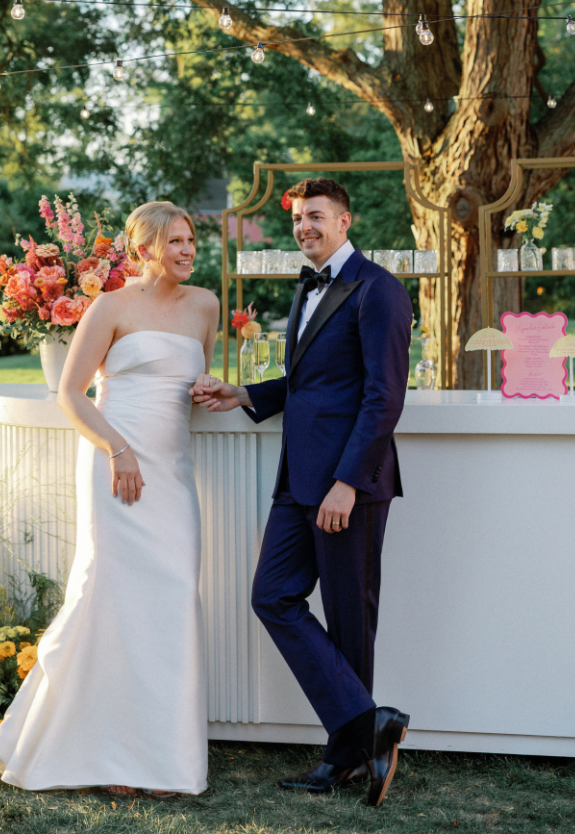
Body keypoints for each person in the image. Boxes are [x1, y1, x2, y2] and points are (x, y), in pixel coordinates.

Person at [0, 201, 219, 796]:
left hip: (172, 471)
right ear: (143, 250)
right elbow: (70, 393)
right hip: (116, 465)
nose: (187, 251)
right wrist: (118, 449)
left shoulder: (206, 306)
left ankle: (162, 759)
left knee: (170, 600)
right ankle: (101, 752)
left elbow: (188, 384)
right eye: (175, 242)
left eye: (191, 241)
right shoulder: (109, 307)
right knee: (107, 598)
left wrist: (211, 389)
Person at [191, 177, 412, 807]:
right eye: (297, 219)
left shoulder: (380, 291)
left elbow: (382, 398)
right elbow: (313, 382)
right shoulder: (308, 286)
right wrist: (246, 395)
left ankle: (346, 758)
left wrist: (347, 483)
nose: (304, 227)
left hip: (348, 484)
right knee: (272, 596)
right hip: (298, 480)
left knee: (349, 621)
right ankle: (370, 726)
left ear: (347, 220)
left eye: (316, 216)